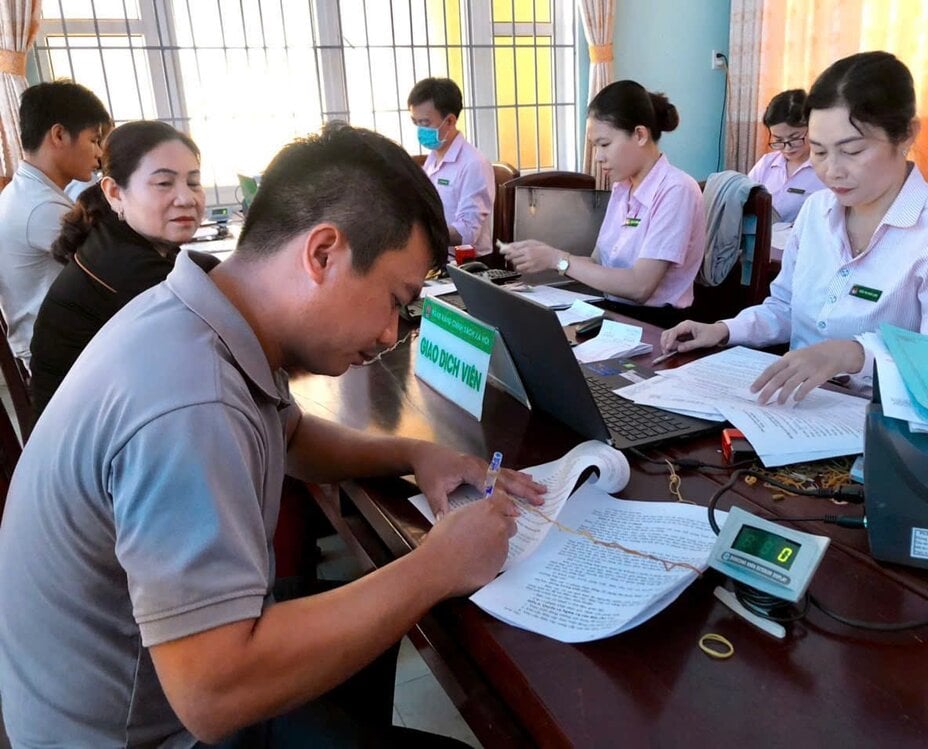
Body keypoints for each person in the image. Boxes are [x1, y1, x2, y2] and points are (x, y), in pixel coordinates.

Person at [0, 122, 546, 747]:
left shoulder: (204, 314)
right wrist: (438, 564)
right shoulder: (189, 396)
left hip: (146, 673)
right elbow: (214, 693)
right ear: (322, 254)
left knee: (361, 628)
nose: (394, 332)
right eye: (397, 299)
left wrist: (417, 453)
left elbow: (292, 439)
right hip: (146, 727)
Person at [660, 51, 928, 405]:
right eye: (819, 152)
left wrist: (853, 355)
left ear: (906, 135)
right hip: (796, 412)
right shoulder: (816, 211)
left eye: (851, 151)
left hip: (884, 425)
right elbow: (785, 308)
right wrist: (723, 329)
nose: (831, 171)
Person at [29, 120, 205, 418]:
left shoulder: (117, 241)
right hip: (89, 450)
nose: (186, 198)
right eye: (164, 183)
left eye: (193, 182)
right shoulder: (126, 268)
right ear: (114, 192)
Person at [500, 80, 705, 328]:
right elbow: (597, 264)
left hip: (657, 325)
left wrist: (558, 259)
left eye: (604, 144)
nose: (598, 157)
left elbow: (640, 286)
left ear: (640, 135)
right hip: (614, 314)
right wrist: (543, 255)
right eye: (595, 146)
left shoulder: (676, 189)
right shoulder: (622, 188)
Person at [0, 80, 110, 369]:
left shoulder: (25, 191)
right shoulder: (42, 207)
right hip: (58, 359)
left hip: (54, 343)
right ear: (59, 135)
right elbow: (111, 273)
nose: (99, 154)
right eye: (94, 140)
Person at [407, 77, 495, 256]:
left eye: (424, 123)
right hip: (437, 257)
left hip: (468, 266)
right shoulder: (432, 159)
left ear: (449, 121)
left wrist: (423, 236)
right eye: (415, 122)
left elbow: (468, 232)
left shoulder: (474, 164)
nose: (419, 130)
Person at [746, 89, 826, 224]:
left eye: (795, 138)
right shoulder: (767, 163)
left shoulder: (826, 168)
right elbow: (745, 199)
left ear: (813, 126)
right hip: (763, 241)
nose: (787, 147)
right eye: (778, 140)